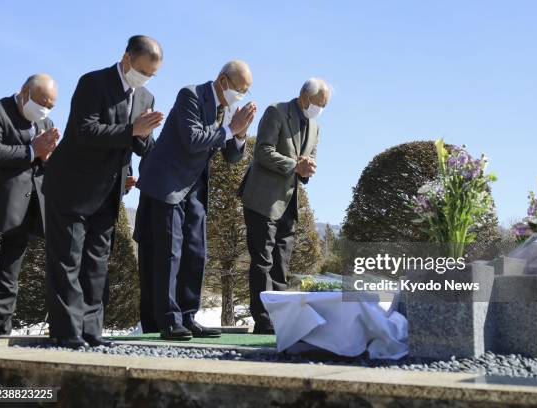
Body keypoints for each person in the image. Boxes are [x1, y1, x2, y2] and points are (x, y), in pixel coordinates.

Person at [42, 35, 163, 349]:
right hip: (71, 187)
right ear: (126, 59)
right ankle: (68, 332)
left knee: (96, 264)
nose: (146, 78)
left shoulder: (146, 97)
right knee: (68, 261)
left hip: (109, 193)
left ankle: (91, 331)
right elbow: (84, 130)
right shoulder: (94, 83)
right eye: (143, 71)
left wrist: (145, 135)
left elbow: (140, 144)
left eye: (152, 74)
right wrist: (132, 130)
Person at [135, 60, 256, 340]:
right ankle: (168, 319)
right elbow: (193, 138)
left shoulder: (228, 111)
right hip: (167, 183)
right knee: (170, 251)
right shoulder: (190, 95)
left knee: (195, 251)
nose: (242, 96)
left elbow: (232, 156)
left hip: (195, 188)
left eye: (247, 91)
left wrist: (238, 135)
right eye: (241, 88)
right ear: (223, 81)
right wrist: (229, 129)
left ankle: (188, 316)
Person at [240, 78, 331, 334]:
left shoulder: (315, 126)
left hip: (289, 202)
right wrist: (294, 165)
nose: (319, 109)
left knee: (282, 261)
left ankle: (280, 317)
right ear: (304, 96)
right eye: (318, 103)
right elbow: (263, 151)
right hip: (262, 198)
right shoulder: (276, 111)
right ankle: (263, 320)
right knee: (263, 260)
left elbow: (308, 161)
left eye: (324, 106)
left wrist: (307, 169)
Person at [0, 74, 59, 335]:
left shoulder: (44, 123)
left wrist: (48, 159)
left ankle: (0, 332)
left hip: (25, 214)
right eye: (41, 102)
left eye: (51, 105)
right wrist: (31, 151)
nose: (45, 110)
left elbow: (42, 164)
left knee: (9, 279)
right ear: (25, 91)